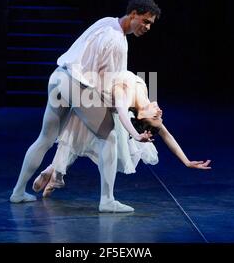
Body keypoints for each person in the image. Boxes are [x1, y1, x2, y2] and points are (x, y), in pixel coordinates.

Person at [10, 0, 161, 213]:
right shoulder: (118, 42)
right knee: (108, 137)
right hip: (76, 84)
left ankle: (17, 192)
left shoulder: (107, 21)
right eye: (145, 21)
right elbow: (107, 85)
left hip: (58, 77)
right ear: (134, 14)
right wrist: (121, 116)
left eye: (150, 24)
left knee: (45, 138)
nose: (147, 27)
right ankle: (107, 200)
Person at [33, 71, 212, 201]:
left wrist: (186, 162)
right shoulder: (144, 100)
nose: (160, 112)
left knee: (79, 133)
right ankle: (54, 173)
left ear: (141, 116)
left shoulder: (125, 95)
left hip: (102, 104)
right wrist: (187, 161)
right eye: (160, 116)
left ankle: (54, 172)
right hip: (97, 95)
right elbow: (166, 134)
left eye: (156, 116)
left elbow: (127, 116)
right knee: (77, 132)